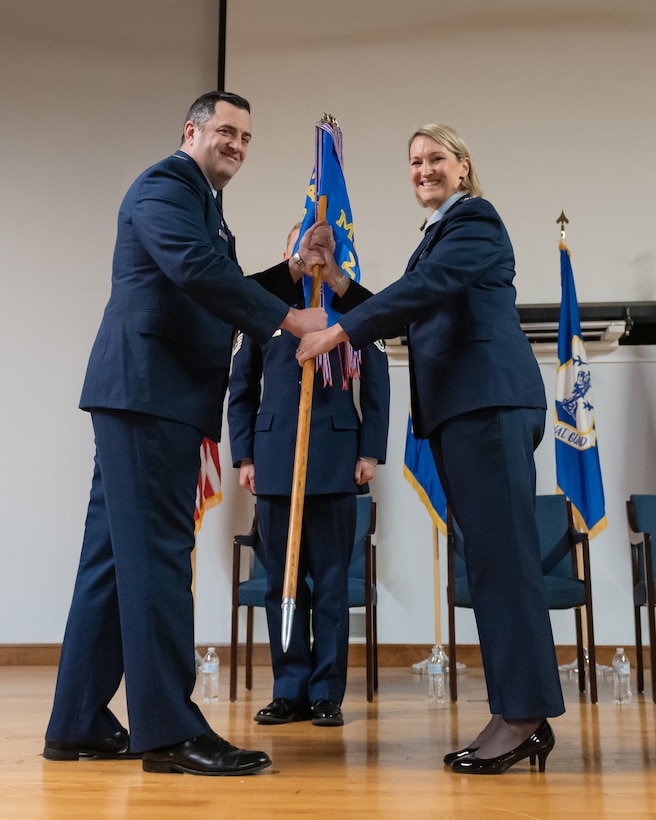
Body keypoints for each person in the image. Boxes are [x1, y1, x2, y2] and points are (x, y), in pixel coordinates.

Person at [43, 91, 330, 777]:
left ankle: (77, 722)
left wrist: (288, 275)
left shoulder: (201, 203)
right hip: (149, 393)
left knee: (113, 563)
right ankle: (169, 734)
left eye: (247, 137)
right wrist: (291, 319)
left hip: (149, 395)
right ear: (191, 130)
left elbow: (212, 282)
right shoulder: (165, 185)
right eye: (226, 131)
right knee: (158, 563)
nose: (236, 144)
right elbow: (196, 273)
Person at [297, 124, 565, 774]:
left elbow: (421, 294)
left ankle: (525, 716)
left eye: (435, 158)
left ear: (463, 166)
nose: (423, 169)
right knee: (491, 565)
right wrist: (333, 281)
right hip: (462, 415)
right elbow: (412, 305)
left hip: (488, 406)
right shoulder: (438, 238)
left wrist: (338, 332)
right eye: (414, 161)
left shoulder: (474, 220)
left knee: (505, 564)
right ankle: (512, 710)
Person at [227, 224, 390, 727]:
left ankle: (326, 693)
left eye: (322, 243)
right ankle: (289, 689)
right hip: (275, 460)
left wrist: (370, 451)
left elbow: (378, 381)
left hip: (337, 459)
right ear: (289, 250)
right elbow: (241, 387)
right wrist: (245, 457)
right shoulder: (269, 306)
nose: (314, 251)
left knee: (333, 584)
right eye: (305, 242)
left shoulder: (351, 307)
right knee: (282, 582)